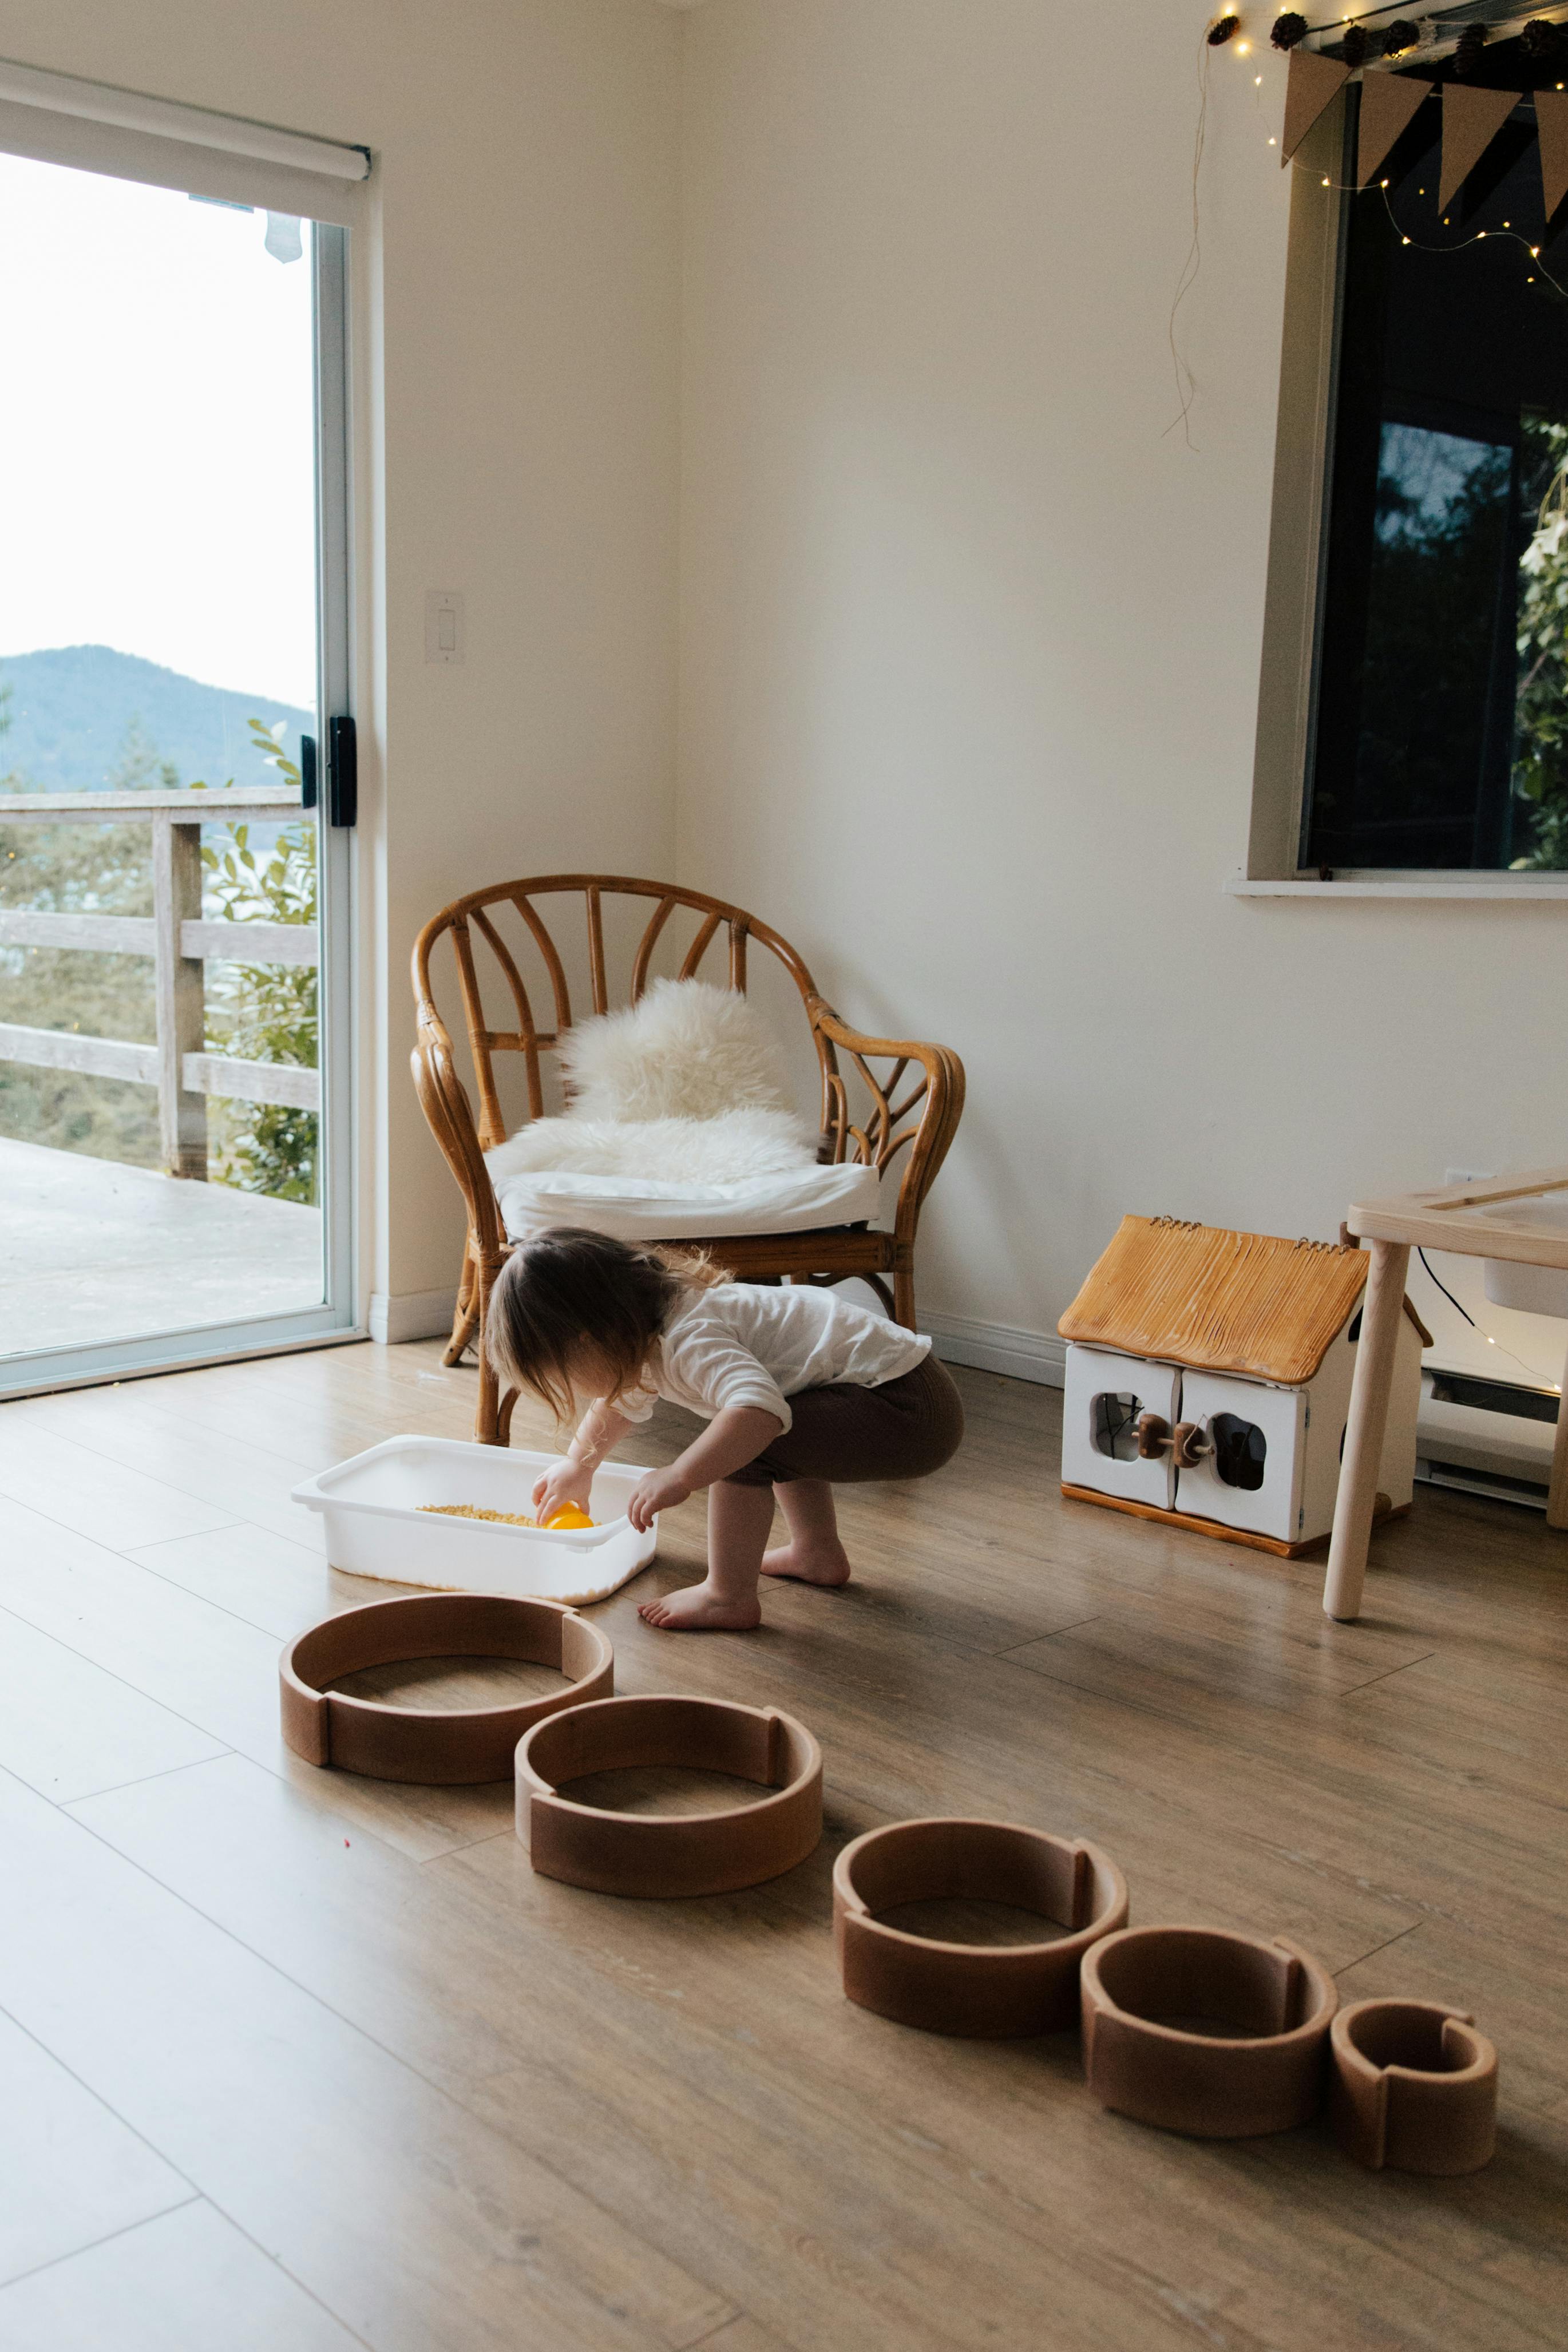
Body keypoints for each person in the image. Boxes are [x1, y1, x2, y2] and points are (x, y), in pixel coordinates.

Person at [484, 1226, 964, 1630]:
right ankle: (815, 1552)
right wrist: (578, 1466)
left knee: (745, 1441)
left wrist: (681, 1475)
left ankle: (727, 1596)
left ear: (591, 1339)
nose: (574, 1390)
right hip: (895, 1393)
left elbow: (756, 1411)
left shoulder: (690, 1335)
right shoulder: (640, 1332)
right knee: (775, 1424)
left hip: (908, 1407)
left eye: (563, 1376)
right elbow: (623, 1399)